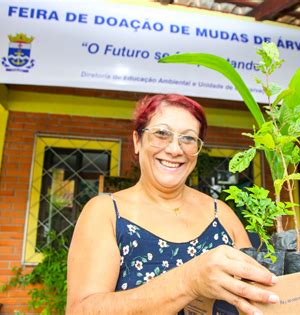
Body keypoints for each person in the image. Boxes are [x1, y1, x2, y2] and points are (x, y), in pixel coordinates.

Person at [66, 94, 279, 314]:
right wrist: (189, 280)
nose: (175, 150)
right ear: (137, 141)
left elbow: (255, 297)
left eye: (188, 138)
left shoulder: (222, 215)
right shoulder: (106, 213)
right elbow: (80, 310)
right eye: (161, 133)